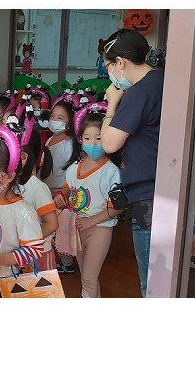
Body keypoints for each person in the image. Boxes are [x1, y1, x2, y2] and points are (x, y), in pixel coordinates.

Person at [100, 28, 165, 297]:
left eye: (108, 67)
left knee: (151, 284)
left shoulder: (139, 93)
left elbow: (108, 143)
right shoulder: (160, 80)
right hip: (162, 189)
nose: (110, 74)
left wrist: (112, 104)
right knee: (162, 276)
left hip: (147, 196)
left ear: (120, 62)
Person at [0, 127, 45, 298]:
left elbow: (34, 249)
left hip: (5, 282)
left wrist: (2, 259)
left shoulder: (23, 211)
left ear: (9, 176)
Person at [59, 112, 124, 297]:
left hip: (100, 229)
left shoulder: (112, 172)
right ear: (80, 139)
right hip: (77, 228)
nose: (93, 143)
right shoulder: (74, 168)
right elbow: (67, 188)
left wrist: (91, 221)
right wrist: (60, 195)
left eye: (99, 138)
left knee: (89, 278)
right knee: (87, 278)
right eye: (88, 138)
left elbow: (117, 207)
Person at [45, 101, 80, 274]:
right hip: (47, 189)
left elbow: (72, 173)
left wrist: (64, 192)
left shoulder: (70, 143)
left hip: (60, 192)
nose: (54, 120)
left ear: (70, 122)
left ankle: (66, 262)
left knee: (61, 228)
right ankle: (55, 259)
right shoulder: (50, 139)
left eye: (60, 118)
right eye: (52, 116)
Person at [18, 136, 59, 271]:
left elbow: (51, 224)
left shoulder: (37, 187)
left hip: (39, 254)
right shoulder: (6, 185)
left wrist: (26, 241)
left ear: (23, 157)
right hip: (18, 254)